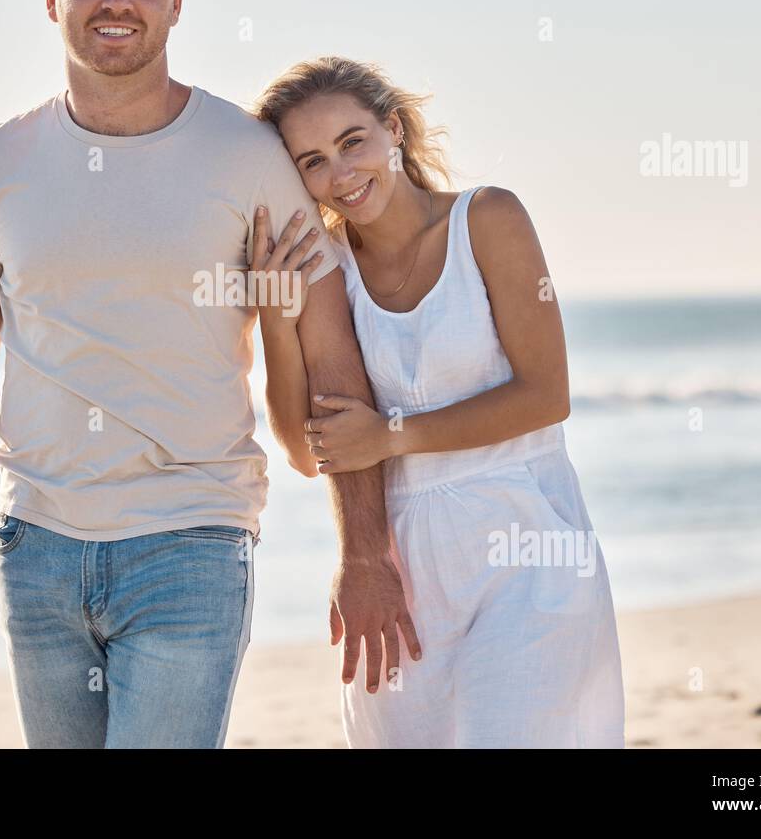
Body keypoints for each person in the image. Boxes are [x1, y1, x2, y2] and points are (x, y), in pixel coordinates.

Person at [0, 0, 419, 748]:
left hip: (192, 542)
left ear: (177, 3)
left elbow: (332, 362)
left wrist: (364, 554)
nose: (117, 0)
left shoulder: (250, 159)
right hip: (36, 547)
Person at [251, 56, 627, 747]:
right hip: (409, 573)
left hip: (528, 548)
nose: (340, 174)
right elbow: (309, 452)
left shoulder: (487, 218)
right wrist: (277, 319)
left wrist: (392, 436)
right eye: (311, 160)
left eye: (352, 141)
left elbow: (547, 395)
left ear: (392, 129)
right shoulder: (325, 267)